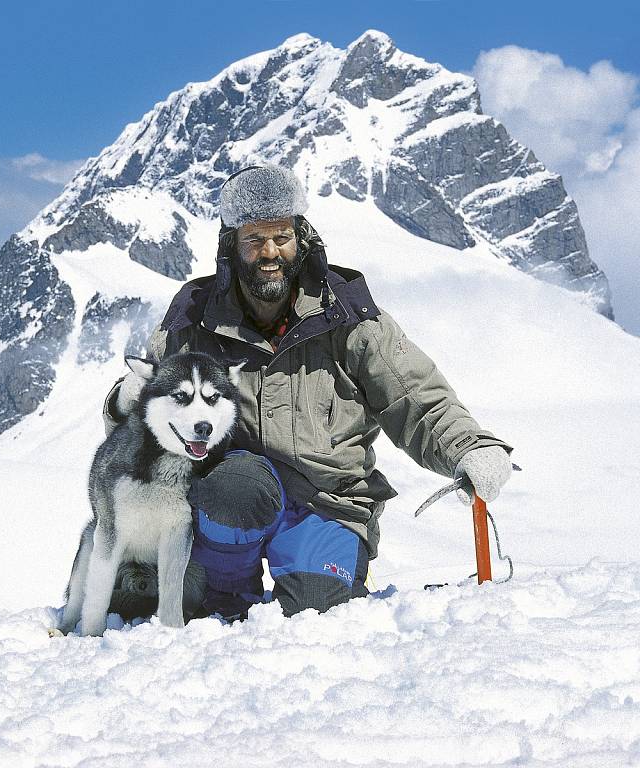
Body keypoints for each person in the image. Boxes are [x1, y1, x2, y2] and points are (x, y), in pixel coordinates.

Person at [104, 164, 513, 620]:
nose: (269, 252)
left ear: (302, 238)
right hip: (232, 493)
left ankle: (310, 576)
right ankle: (225, 592)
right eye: (254, 240)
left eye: (281, 237)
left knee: (315, 616)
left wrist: (469, 447)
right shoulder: (195, 321)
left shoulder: (348, 314)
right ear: (231, 248)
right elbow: (144, 420)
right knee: (234, 490)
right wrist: (125, 403)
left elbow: (414, 397)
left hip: (328, 501)